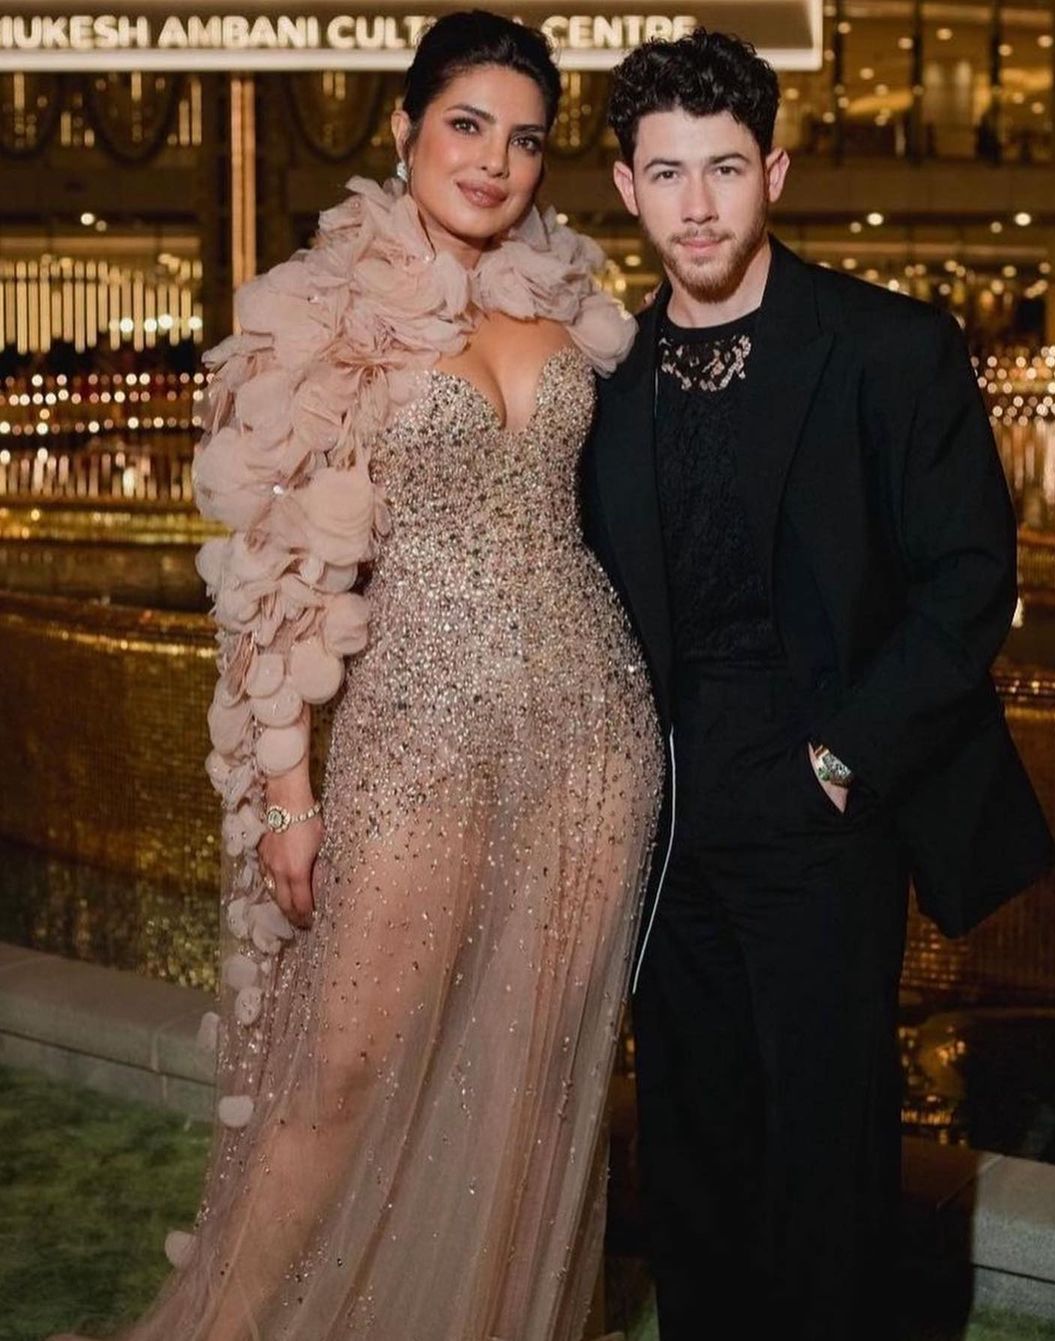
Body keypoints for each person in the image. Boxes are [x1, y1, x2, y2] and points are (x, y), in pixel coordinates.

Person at [50, 12, 660, 1340]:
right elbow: (268, 579)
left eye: (524, 141)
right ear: (403, 127)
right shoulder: (320, 309)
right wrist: (286, 791)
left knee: (535, 1074)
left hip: (591, 729)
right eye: (466, 125)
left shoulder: (571, 301)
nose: (493, 162)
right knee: (340, 1065)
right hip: (414, 730)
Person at [580, 29, 1055, 1341]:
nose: (697, 205)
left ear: (774, 171)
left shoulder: (886, 348)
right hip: (665, 822)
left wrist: (840, 762)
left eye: (724, 168)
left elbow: (971, 582)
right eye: (667, 172)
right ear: (625, 187)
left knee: (827, 1160)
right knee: (691, 1153)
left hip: (823, 811)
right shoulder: (607, 376)